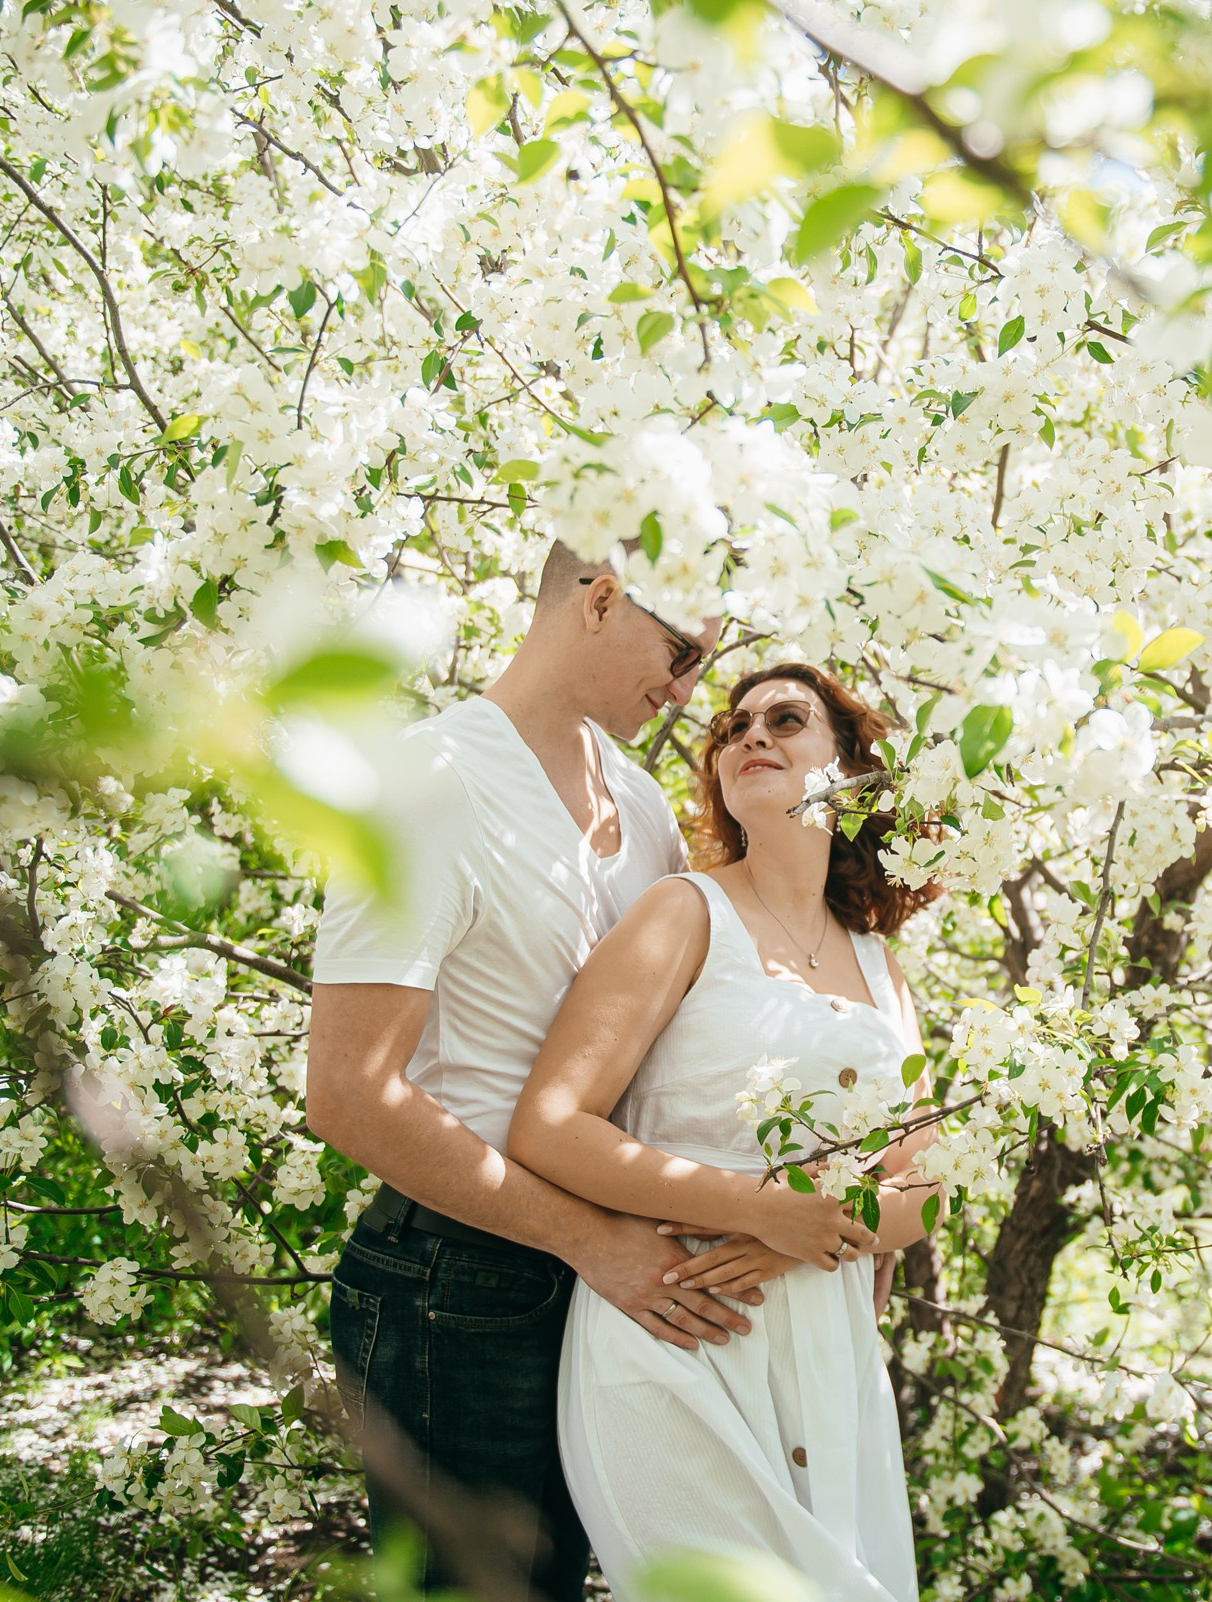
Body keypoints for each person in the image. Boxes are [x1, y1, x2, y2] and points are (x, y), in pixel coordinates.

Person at [306, 542, 757, 1595]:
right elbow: (348, 1094)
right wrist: (591, 1241)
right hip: (456, 1283)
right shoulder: (429, 785)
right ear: (600, 602)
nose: (687, 690)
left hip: (602, 1281)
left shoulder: (641, 805)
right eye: (682, 653)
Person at [505, 663, 944, 1602]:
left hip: (827, 1343)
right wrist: (756, 1209)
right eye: (733, 727)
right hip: (676, 1331)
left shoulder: (881, 966)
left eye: (786, 720)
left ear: (850, 769)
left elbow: (928, 1183)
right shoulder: (683, 911)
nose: (751, 737)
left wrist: (801, 1239)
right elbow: (549, 1127)